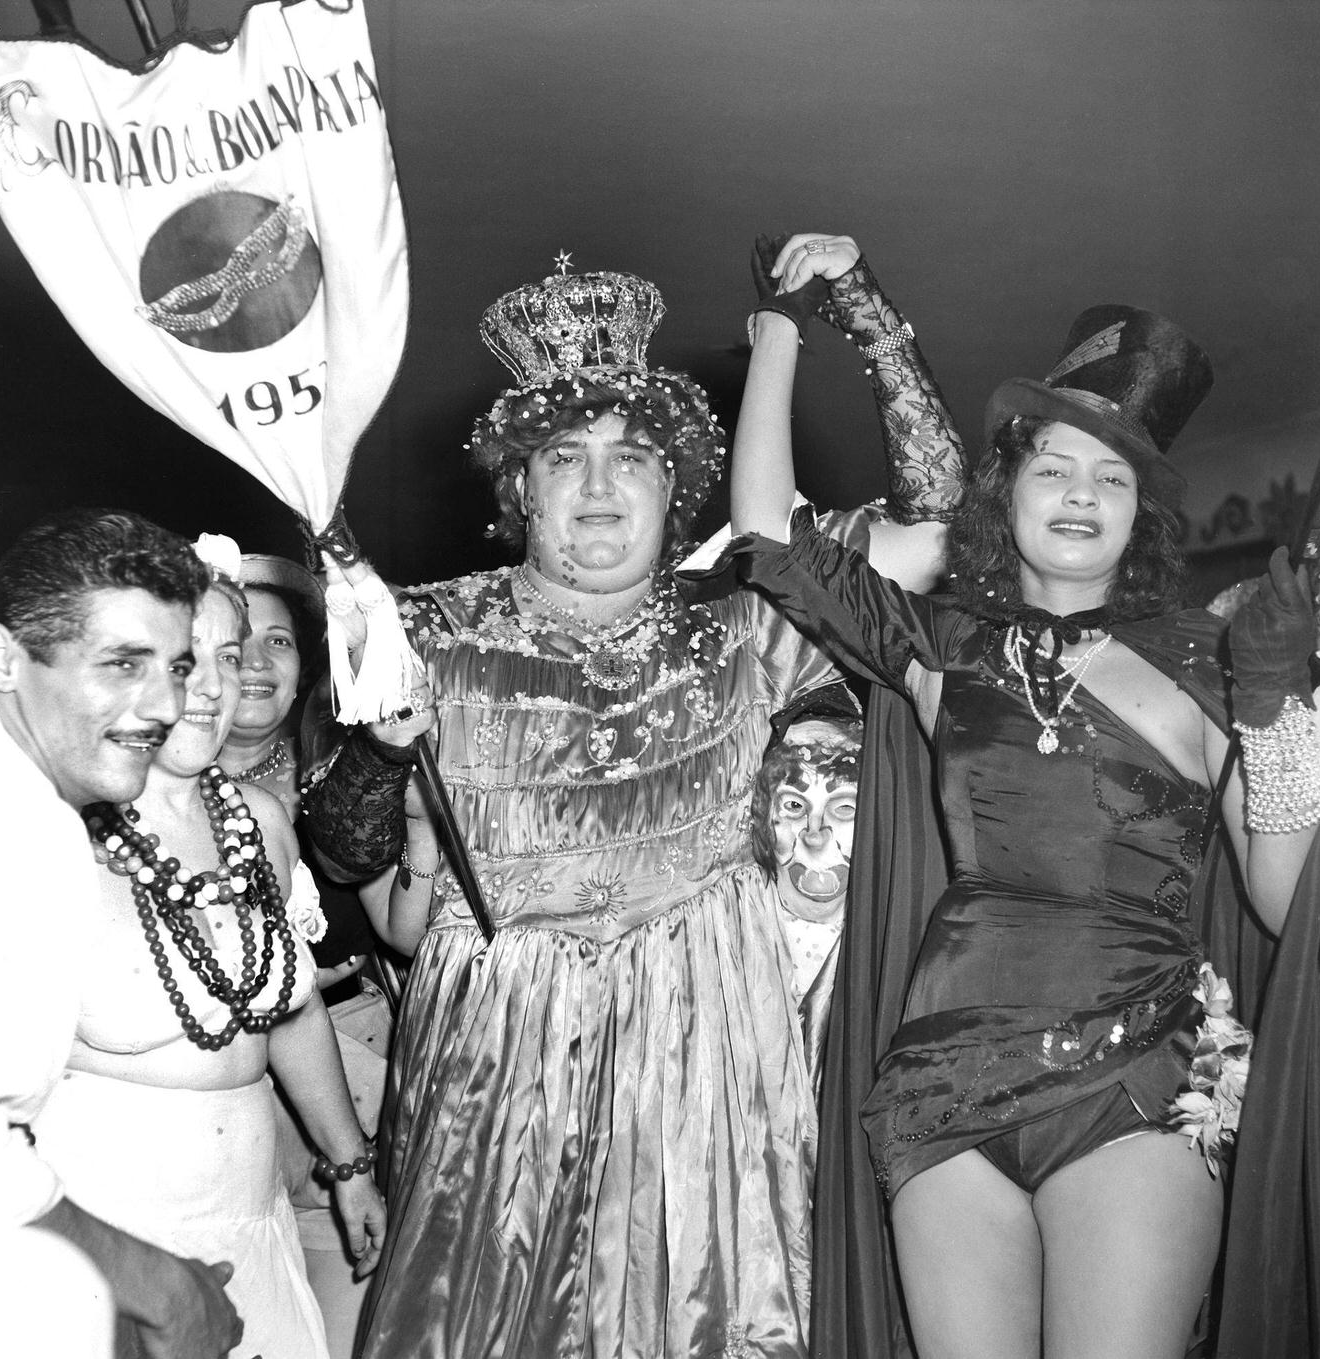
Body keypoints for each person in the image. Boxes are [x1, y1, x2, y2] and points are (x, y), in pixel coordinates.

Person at [301, 257, 964, 1358]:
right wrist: (379, 750)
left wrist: (852, 309)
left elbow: (936, 524)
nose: (599, 484)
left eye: (633, 458)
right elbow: (342, 852)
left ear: (677, 484)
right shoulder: (421, 626)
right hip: (496, 1049)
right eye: (565, 457)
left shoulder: (750, 619)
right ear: (520, 490)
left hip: (706, 1038)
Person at [722, 233, 1320, 1359]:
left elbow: (1287, 909)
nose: (1082, 493)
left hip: (1138, 1077)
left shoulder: (1207, 661)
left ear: (1141, 514)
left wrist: (1279, 701)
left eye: (1113, 478)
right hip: (943, 1085)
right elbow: (764, 535)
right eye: (1054, 468)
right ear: (1007, 495)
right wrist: (781, 327)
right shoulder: (942, 643)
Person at [29, 535, 386, 1359]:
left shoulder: (259, 821)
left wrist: (350, 1164)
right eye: (188, 657)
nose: (217, 685)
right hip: (110, 1248)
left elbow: (289, 1008)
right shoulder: (51, 832)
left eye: (231, 654)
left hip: (256, 1225)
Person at [0, 508, 242, 1358]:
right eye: (122, 664)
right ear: (4, 659)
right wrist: (157, 1287)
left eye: (175, 667)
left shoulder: (24, 807)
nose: (166, 705)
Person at [218, 551, 394, 1359]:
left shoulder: (349, 773)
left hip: (347, 1069)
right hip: (218, 1089)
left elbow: (407, 929)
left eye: (280, 641)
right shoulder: (140, 793)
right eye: (235, 642)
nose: (256, 661)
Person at [749, 684, 863, 1097]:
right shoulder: (731, 935)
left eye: (844, 807)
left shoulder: (886, 943)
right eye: (794, 806)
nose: (816, 835)